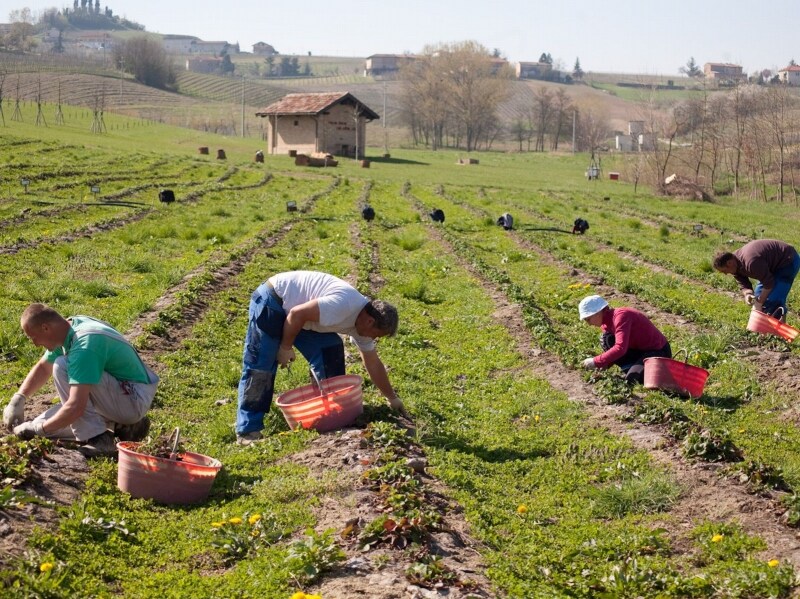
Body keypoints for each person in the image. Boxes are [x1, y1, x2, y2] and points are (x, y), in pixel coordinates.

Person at [236, 271, 408, 445]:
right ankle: (248, 431)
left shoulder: (364, 324)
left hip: (301, 316)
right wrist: (285, 348)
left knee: (330, 349)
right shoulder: (343, 305)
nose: (374, 339)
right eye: (377, 335)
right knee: (261, 366)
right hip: (274, 301)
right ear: (370, 322)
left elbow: (372, 362)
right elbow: (296, 314)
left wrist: (392, 398)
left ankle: (329, 414)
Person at [2, 304, 158, 458]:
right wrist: (19, 398)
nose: (35, 344)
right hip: (116, 394)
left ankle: (99, 439)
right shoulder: (66, 330)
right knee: (39, 424)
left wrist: (40, 430)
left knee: (62, 366)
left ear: (45, 328)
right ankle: (125, 426)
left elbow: (76, 407)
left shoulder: (84, 345)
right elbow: (44, 367)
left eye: (33, 337)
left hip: (133, 397)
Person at [578, 295, 671, 384]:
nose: (589, 324)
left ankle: (650, 370)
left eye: (588, 319)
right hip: (639, 351)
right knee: (607, 339)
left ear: (598, 312)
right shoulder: (605, 324)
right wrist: (604, 364)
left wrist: (596, 361)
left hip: (658, 352)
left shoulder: (621, 316)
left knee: (633, 379)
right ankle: (631, 367)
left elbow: (620, 348)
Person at [713, 239, 800, 319]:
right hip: (770, 267)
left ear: (729, 263)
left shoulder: (751, 263)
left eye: (724, 271)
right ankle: (764, 331)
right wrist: (748, 293)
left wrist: (760, 301)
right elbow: (742, 282)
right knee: (759, 297)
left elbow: (769, 284)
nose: (725, 274)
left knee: (772, 301)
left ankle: (773, 333)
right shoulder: (735, 264)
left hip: (787, 261)